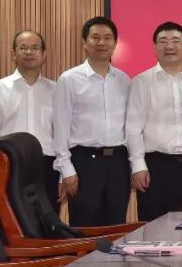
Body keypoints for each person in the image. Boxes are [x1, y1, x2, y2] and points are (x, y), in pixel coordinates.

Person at [52, 16, 131, 226]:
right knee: (84, 227)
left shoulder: (124, 80)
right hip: (84, 163)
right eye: (95, 37)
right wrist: (66, 169)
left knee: (116, 226)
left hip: (118, 163)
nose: (101, 42)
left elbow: (130, 126)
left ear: (115, 43)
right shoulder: (69, 79)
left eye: (107, 38)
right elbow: (60, 127)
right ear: (84, 43)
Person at [125, 21, 182, 220]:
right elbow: (133, 128)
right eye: (163, 41)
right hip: (155, 167)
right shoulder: (141, 81)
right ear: (154, 47)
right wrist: (138, 165)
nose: (169, 46)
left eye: (175, 40)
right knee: (153, 227)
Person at [0, 30, 58, 207]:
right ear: (13, 53)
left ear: (43, 54)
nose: (29, 52)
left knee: (48, 223)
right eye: (23, 47)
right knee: (12, 223)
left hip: (47, 168)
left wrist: (62, 176)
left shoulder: (56, 90)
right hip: (10, 166)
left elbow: (61, 136)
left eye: (35, 48)